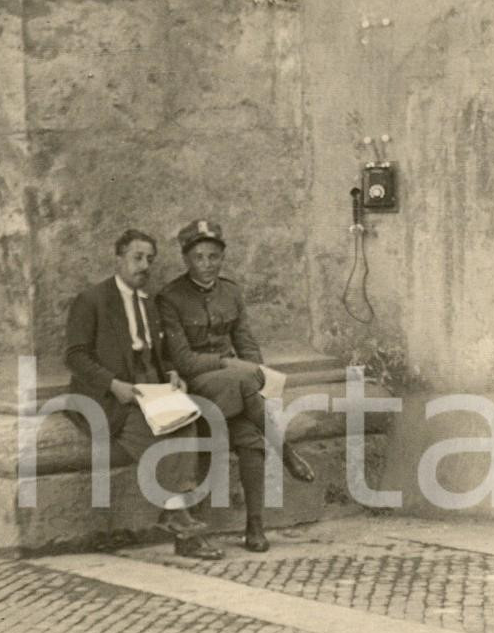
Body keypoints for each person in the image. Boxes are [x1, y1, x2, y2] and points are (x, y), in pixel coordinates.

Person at [64, 228, 224, 560]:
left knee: (188, 422)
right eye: (137, 258)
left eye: (149, 259)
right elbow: (76, 356)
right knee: (155, 433)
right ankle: (181, 522)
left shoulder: (150, 304)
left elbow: (160, 354)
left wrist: (173, 374)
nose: (144, 266)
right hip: (107, 397)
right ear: (118, 258)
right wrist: (113, 384)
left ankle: (177, 516)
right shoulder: (93, 300)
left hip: (149, 389)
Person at [157, 219, 315, 553]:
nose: (206, 264)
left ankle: (255, 526)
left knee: (248, 436)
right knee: (243, 382)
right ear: (186, 259)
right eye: (198, 257)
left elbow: (247, 343)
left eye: (213, 256)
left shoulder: (231, 292)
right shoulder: (171, 298)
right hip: (199, 382)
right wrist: (234, 366)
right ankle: (287, 452)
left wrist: (254, 371)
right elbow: (183, 360)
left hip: (235, 385)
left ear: (222, 257)